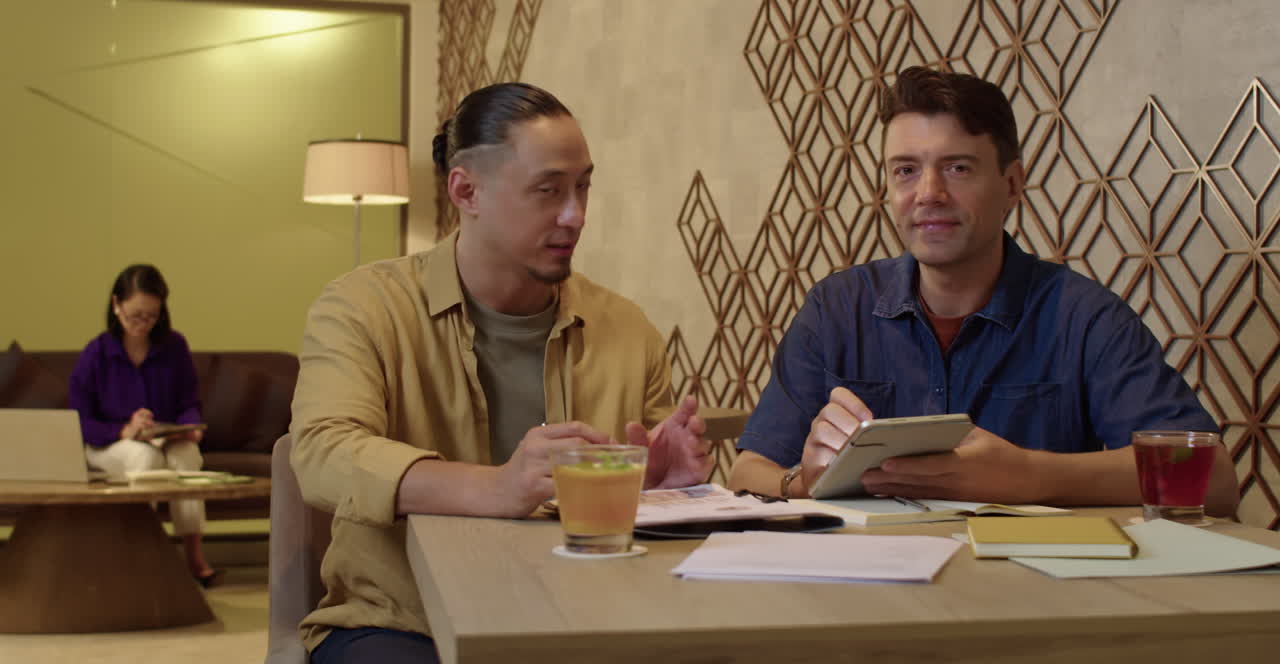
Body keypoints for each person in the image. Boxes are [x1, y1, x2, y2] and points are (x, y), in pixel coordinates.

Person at [290, 82, 711, 664]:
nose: (576, 215)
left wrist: (666, 488)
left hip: (584, 618)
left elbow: (654, 488)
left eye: (583, 187)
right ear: (467, 191)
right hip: (403, 622)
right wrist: (496, 487)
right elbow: (322, 453)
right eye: (548, 191)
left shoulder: (626, 328)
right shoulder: (363, 307)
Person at [728, 66, 1239, 517]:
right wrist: (800, 483)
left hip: (1034, 607)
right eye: (906, 170)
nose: (928, 193)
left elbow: (1212, 480)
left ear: (1012, 185)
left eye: (958, 167)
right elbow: (747, 473)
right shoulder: (836, 309)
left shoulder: (1084, 318)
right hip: (870, 605)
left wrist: (1027, 476)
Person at [68, 263, 217, 586]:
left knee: (187, 453)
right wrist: (123, 430)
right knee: (143, 457)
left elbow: (189, 403)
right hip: (108, 446)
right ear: (116, 305)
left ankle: (193, 554)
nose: (143, 324)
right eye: (135, 315)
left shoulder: (173, 346)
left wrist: (189, 426)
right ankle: (142, 552)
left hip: (162, 440)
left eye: (151, 316)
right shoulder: (96, 354)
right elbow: (79, 422)